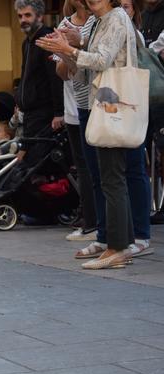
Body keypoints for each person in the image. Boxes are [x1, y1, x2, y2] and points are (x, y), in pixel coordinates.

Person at [37, 0, 147, 269]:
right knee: (108, 177)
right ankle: (116, 243)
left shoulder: (116, 18)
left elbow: (102, 60)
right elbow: (97, 55)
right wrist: (77, 44)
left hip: (113, 105)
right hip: (105, 104)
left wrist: (70, 48)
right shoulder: (102, 20)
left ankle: (118, 247)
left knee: (113, 178)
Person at [55, 0, 98, 241]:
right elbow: (61, 72)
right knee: (82, 167)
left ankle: (99, 225)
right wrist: (64, 52)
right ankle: (89, 221)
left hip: (96, 103)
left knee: (98, 167)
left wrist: (76, 45)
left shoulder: (97, 21)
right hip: (73, 106)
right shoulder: (63, 24)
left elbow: (98, 59)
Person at [15, 0, 65, 143]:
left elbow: (56, 78)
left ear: (39, 16)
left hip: (45, 115)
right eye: (20, 16)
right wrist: (19, 98)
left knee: (39, 161)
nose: (23, 20)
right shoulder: (26, 43)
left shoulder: (47, 40)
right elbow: (26, 75)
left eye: (27, 15)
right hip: (29, 115)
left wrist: (59, 113)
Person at [142, 0, 164, 224]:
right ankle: (155, 204)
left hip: (161, 88)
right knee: (151, 150)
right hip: (149, 92)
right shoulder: (146, 15)